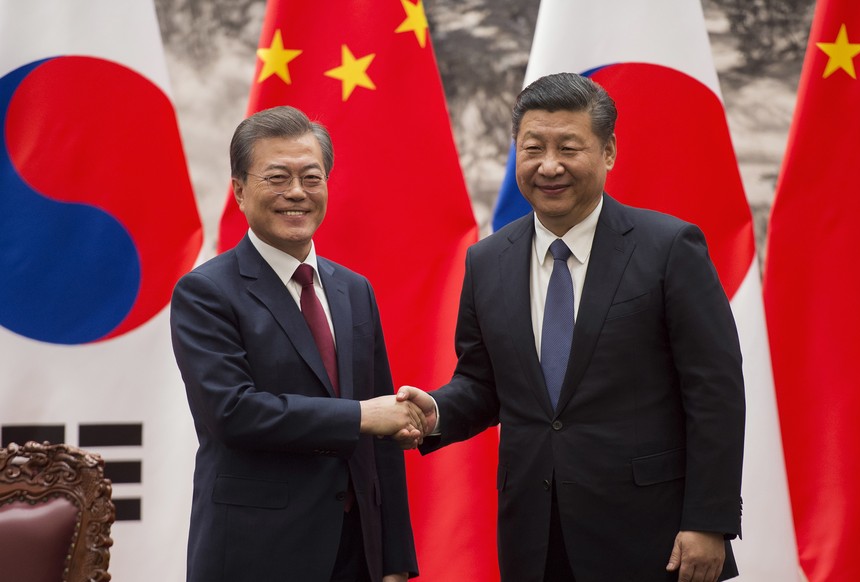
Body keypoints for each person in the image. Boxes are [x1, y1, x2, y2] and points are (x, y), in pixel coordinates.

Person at [398, 73, 745, 582]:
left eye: (569, 147)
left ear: (608, 152)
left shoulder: (669, 248)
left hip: (654, 535)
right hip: (534, 536)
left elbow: (714, 390)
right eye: (533, 148)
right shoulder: (487, 260)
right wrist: (434, 412)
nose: (549, 165)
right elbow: (483, 384)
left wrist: (709, 521)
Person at [171, 105, 422, 582]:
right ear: (240, 190)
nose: (296, 193)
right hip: (256, 552)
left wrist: (393, 560)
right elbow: (233, 413)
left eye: (311, 177)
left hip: (356, 554)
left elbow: (384, 434)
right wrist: (361, 416)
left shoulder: (354, 289)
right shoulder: (206, 292)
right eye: (277, 177)